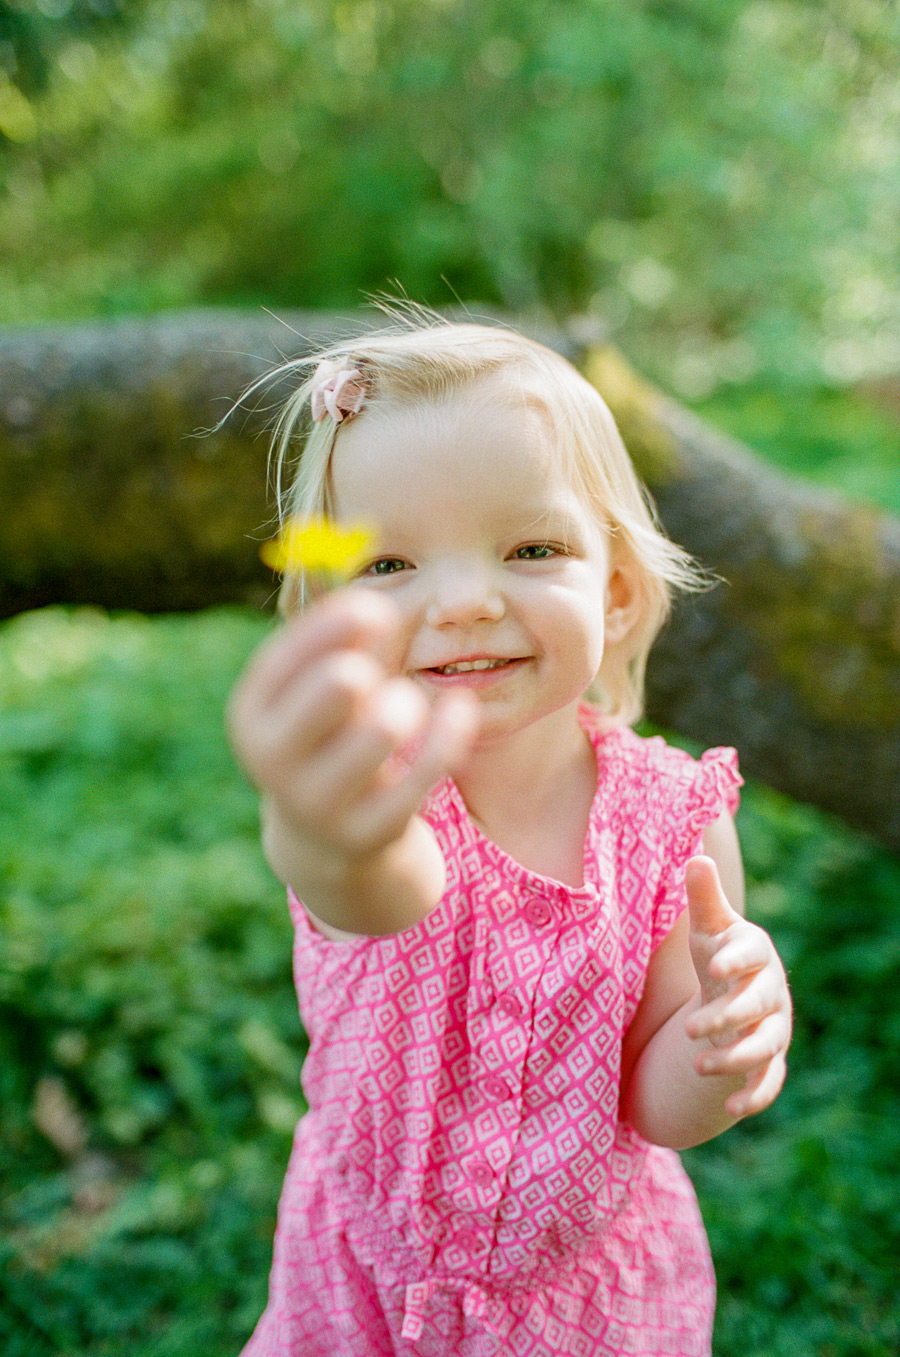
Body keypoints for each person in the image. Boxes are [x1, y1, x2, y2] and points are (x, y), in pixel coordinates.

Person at [227, 315, 792, 1357]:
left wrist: (723, 1040)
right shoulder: (379, 800)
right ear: (330, 614)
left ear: (615, 593)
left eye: (530, 548)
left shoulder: (676, 822)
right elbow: (371, 881)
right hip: (370, 1286)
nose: (466, 601)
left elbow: (656, 1105)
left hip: (584, 1297)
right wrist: (311, 820)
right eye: (390, 564)